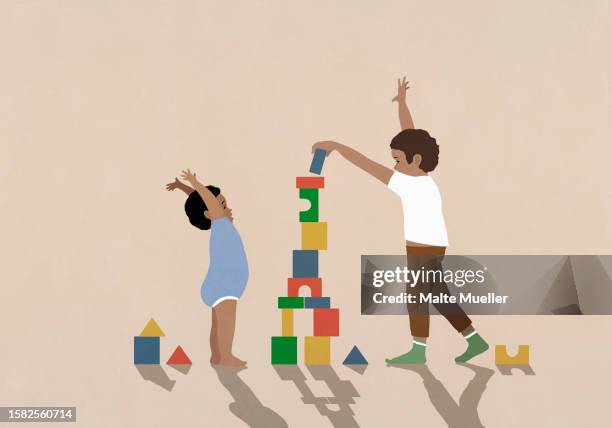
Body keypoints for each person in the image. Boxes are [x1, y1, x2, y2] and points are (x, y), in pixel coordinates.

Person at [311, 77, 489, 364]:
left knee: (416, 295)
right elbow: (411, 133)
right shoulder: (421, 177)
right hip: (432, 246)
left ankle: (419, 351)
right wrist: (403, 105)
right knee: (439, 293)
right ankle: (474, 340)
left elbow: (367, 165)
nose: (394, 165)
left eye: (397, 160)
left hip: (423, 248)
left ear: (415, 161)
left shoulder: (407, 184)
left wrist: (338, 146)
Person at [166, 169, 248, 367]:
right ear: (209, 213)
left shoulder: (222, 225)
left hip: (219, 287)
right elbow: (205, 199)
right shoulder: (221, 224)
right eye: (221, 205)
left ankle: (217, 356)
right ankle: (226, 355)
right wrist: (194, 182)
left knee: (218, 324)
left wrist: (182, 187)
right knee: (226, 323)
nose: (226, 208)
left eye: (225, 203)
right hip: (224, 287)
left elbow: (199, 200)